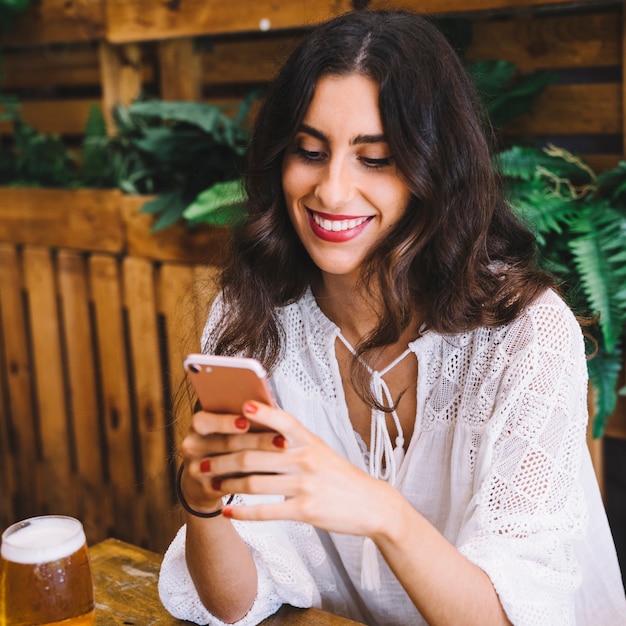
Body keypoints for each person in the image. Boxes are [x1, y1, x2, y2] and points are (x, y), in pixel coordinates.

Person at [157, 9, 626, 626]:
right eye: (309, 151)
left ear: (436, 169)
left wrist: (380, 510)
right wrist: (203, 503)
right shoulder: (256, 317)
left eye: (375, 158)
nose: (331, 191)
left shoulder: (526, 337)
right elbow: (234, 603)